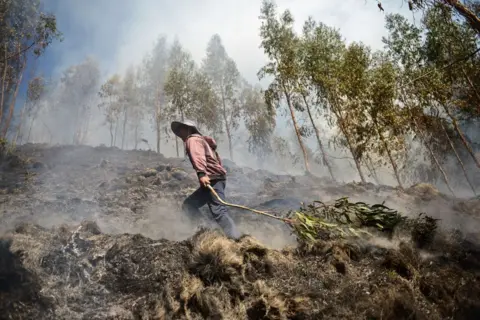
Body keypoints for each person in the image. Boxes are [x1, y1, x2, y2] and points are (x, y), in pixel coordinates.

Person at [171, 119, 241, 240]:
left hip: (212, 179)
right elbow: (216, 162)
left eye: (180, 129)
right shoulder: (202, 141)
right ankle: (207, 231)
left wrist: (202, 174)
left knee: (219, 211)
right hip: (215, 178)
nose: (179, 132)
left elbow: (198, 156)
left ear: (188, 129)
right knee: (189, 205)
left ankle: (236, 240)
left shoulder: (192, 139)